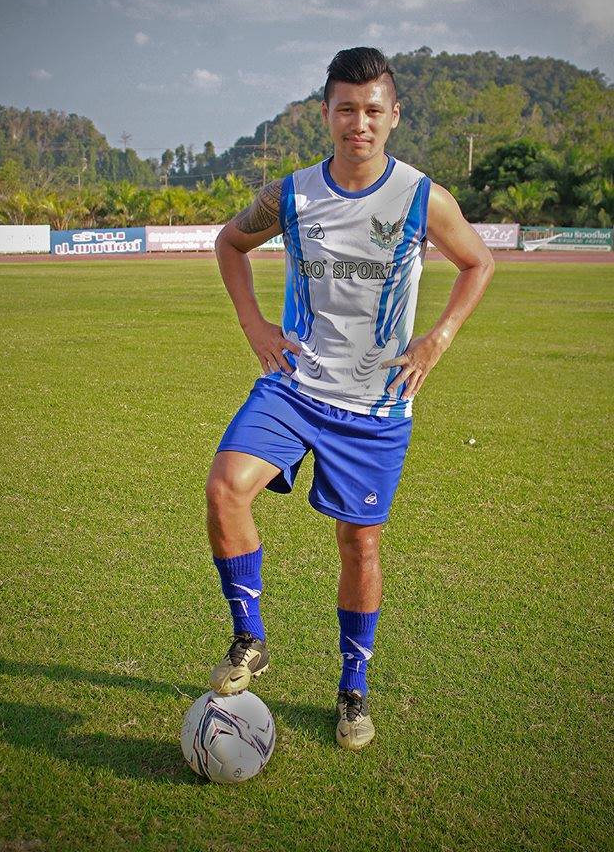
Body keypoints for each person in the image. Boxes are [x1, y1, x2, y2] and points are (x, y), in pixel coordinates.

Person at [206, 47, 494, 751]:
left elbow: (478, 262)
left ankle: (353, 687)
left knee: (359, 543)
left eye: (372, 110)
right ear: (326, 114)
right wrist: (254, 325)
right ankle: (250, 638)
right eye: (345, 109)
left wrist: (437, 339)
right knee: (224, 488)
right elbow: (229, 243)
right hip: (295, 386)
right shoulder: (293, 195)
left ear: (393, 116)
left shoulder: (422, 197)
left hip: (376, 407)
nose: (358, 123)